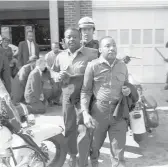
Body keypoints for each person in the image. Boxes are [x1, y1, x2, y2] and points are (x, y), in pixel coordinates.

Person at [81, 36, 138, 167]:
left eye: (114, 45)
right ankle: (94, 162)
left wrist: (127, 91)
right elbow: (86, 91)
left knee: (118, 153)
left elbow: (126, 84)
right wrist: (85, 113)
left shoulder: (122, 66)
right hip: (99, 112)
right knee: (94, 147)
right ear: (100, 49)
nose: (112, 48)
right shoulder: (93, 66)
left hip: (119, 112)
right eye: (107, 46)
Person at [51, 28, 98, 167]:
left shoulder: (92, 54)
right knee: (69, 127)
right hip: (67, 97)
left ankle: (91, 156)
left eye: (74, 37)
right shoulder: (60, 56)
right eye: (68, 37)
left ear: (80, 39)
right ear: (64, 40)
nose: (71, 39)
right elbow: (53, 70)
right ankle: (73, 155)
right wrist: (56, 76)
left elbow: (103, 66)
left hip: (85, 98)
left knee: (85, 128)